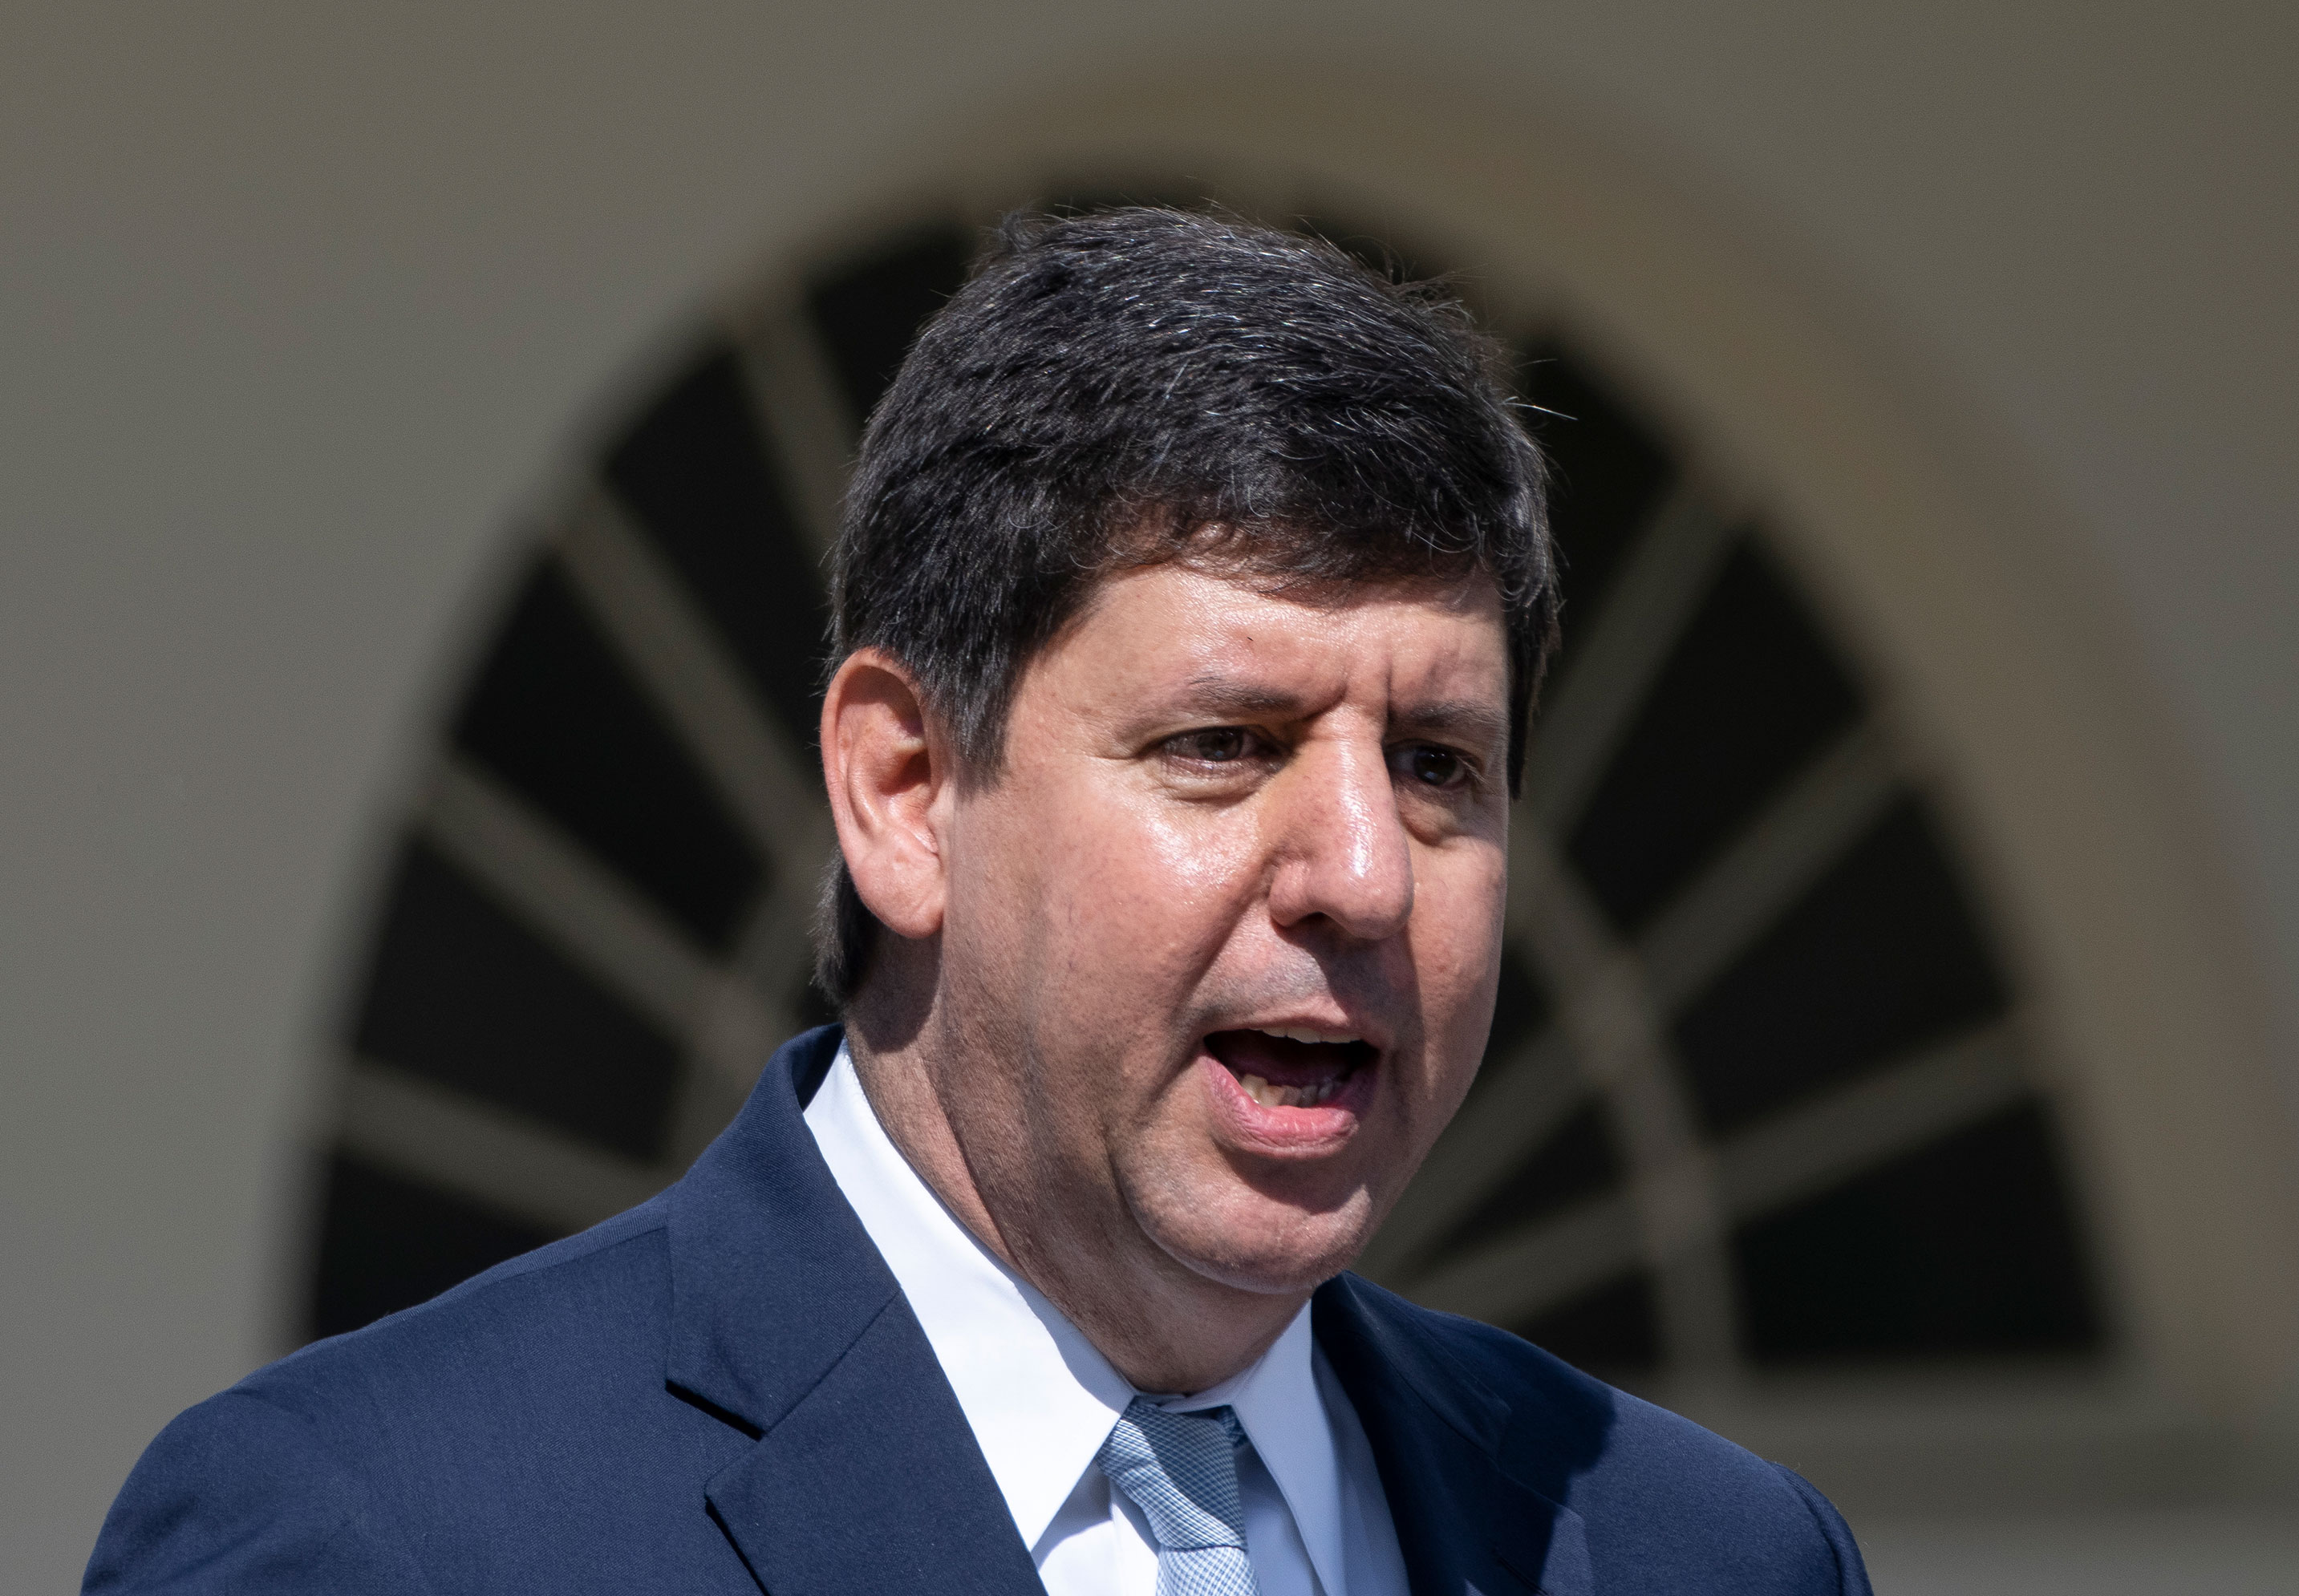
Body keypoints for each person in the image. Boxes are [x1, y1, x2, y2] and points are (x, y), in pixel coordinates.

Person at [87, 209, 1872, 1594]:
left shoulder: (1699, 1552)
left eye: (1439, 765)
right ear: (905, 791)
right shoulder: (379, 1534)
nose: (1363, 873)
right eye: (1225, 743)